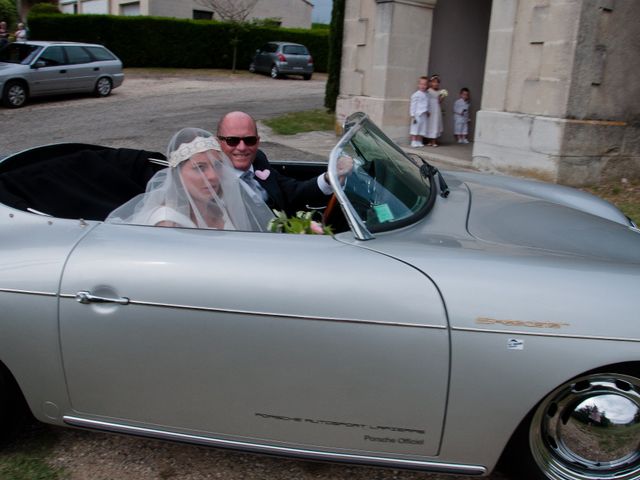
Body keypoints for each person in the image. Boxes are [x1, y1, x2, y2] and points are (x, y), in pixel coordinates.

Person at [106, 127, 273, 231]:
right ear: (177, 173)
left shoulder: (222, 207)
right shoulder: (167, 224)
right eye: (199, 168)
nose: (213, 176)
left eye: (217, 165)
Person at [216, 111, 335, 215]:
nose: (242, 147)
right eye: (232, 140)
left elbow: (292, 191)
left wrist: (329, 178)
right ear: (218, 142)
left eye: (249, 140)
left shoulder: (259, 160)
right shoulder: (210, 179)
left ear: (257, 141)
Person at [409, 76, 429, 148]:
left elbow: (426, 104)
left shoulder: (427, 94)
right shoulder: (416, 94)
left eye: (425, 84)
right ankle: (413, 141)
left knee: (422, 128)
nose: (423, 86)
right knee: (415, 127)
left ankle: (419, 141)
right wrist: (412, 114)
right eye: (421, 84)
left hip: (424, 114)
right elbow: (413, 105)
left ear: (427, 86)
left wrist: (427, 111)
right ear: (418, 85)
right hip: (417, 114)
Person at [425, 74, 445, 147]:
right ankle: (429, 141)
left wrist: (443, 97)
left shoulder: (440, 92)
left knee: (435, 123)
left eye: (437, 82)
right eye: (433, 82)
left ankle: (434, 141)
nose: (435, 84)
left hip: (436, 109)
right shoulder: (428, 91)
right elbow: (426, 99)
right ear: (430, 83)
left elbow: (439, 101)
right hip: (430, 108)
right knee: (430, 124)